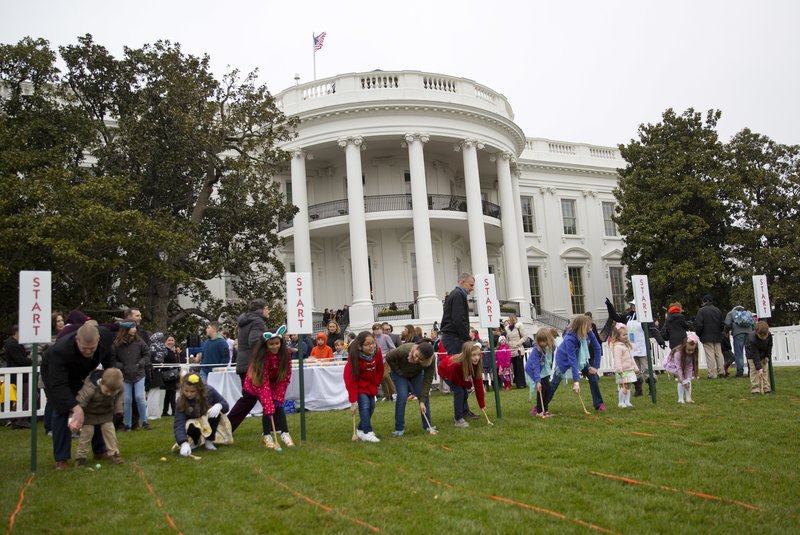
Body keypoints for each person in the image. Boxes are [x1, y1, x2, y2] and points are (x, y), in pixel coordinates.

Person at [41, 321, 115, 469]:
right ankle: (61, 458)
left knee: (96, 403)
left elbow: (109, 356)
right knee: (60, 409)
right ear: (77, 340)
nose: (88, 352)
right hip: (56, 374)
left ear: (98, 341)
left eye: (92, 349)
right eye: (84, 349)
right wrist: (76, 408)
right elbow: (59, 385)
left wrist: (109, 378)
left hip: (82, 371)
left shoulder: (106, 337)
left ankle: (100, 450)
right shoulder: (60, 350)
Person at [544, 315, 606, 412]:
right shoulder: (569, 339)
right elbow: (572, 361)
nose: (590, 329)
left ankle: (599, 404)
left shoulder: (588, 331)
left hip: (580, 358)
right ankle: (540, 407)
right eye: (588, 327)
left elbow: (597, 347)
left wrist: (595, 367)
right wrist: (576, 382)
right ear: (582, 327)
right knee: (554, 383)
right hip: (564, 359)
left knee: (593, 376)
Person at [385, 340, 437, 436]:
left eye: (421, 360)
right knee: (402, 396)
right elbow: (389, 357)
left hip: (416, 375)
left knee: (424, 397)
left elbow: (428, 379)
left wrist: (422, 400)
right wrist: (398, 371)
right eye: (416, 355)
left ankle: (427, 426)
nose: (417, 359)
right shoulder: (405, 349)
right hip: (400, 373)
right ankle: (399, 429)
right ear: (416, 348)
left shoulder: (431, 360)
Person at [74, 367, 124, 466]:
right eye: (106, 391)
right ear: (101, 382)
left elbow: (119, 397)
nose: (109, 394)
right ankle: (80, 458)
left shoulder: (118, 387)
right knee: (87, 433)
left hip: (105, 413)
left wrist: (119, 410)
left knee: (109, 431)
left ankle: (114, 453)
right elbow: (80, 402)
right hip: (89, 413)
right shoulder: (90, 389)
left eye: (112, 392)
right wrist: (75, 418)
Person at [173, 373, 232, 455]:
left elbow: (226, 405)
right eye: (186, 391)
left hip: (207, 419)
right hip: (192, 423)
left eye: (192, 391)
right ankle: (194, 441)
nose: (189, 394)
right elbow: (179, 423)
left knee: (215, 414)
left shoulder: (210, 391)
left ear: (199, 389)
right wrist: (183, 442)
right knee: (191, 425)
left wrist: (219, 406)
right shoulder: (181, 401)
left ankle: (209, 440)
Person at [344, 331, 384, 443]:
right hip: (360, 385)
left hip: (371, 384)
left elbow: (380, 368)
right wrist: (353, 400)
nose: (372, 346)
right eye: (368, 344)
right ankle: (368, 432)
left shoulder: (377, 352)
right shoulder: (354, 357)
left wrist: (376, 382)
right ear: (360, 346)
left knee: (372, 406)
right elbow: (350, 379)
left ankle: (361, 429)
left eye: (373, 343)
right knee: (365, 406)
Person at [113, 321, 151, 431]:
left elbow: (147, 354)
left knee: (139, 397)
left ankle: (144, 421)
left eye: (135, 327)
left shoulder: (139, 341)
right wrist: (122, 366)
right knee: (127, 399)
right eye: (132, 327)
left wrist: (140, 364)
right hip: (125, 375)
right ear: (126, 329)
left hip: (139, 373)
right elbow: (113, 359)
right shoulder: (117, 343)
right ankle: (128, 424)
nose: (134, 329)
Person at [438, 341, 486, 428]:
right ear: (467, 355)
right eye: (474, 355)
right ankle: (458, 419)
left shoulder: (476, 364)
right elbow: (456, 380)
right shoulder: (456, 365)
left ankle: (464, 413)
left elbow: (478, 385)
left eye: (478, 355)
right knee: (459, 392)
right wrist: (467, 384)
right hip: (445, 370)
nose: (477, 358)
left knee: (464, 394)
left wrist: (482, 405)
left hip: (458, 376)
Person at [3, 325, 33, 428]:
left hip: (21, 375)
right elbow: (21, 360)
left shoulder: (16, 344)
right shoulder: (12, 344)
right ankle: (20, 418)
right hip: (19, 375)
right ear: (17, 331)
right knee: (32, 395)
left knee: (23, 397)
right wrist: (30, 360)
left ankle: (15, 418)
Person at [439, 273, 475, 356]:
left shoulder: (455, 294)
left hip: (452, 336)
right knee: (456, 364)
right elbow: (458, 319)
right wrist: (467, 338)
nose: (472, 288)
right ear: (462, 282)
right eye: (471, 285)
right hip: (454, 337)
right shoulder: (458, 295)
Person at [236, 298, 269, 385]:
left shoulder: (246, 321)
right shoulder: (258, 322)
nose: (268, 311)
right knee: (254, 396)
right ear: (262, 310)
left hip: (243, 364)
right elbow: (255, 342)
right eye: (267, 308)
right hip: (253, 365)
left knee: (249, 396)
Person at [695, 294, 726, 379]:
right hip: (717, 335)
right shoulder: (718, 310)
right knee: (719, 354)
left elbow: (699, 325)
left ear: (704, 301)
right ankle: (721, 372)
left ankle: (712, 374)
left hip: (706, 335)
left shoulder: (701, 311)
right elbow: (722, 324)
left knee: (710, 355)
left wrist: (699, 334)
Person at [525, 328, 554, 417]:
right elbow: (536, 366)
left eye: (544, 341)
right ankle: (539, 411)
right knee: (542, 389)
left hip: (543, 370)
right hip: (533, 370)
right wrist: (538, 381)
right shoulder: (536, 351)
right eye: (540, 341)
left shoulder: (549, 347)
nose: (542, 343)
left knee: (548, 389)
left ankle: (545, 410)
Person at [663, 334, 699, 403]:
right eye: (689, 350)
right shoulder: (678, 353)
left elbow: (689, 367)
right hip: (674, 365)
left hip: (684, 365)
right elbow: (679, 367)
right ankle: (680, 399)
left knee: (688, 380)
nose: (691, 352)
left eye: (692, 350)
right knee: (681, 379)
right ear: (684, 346)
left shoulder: (692, 355)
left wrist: (688, 378)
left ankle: (688, 398)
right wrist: (683, 380)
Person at [611, 324, 639, 409]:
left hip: (629, 369)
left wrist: (635, 367)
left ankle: (627, 401)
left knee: (628, 385)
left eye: (626, 334)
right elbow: (617, 359)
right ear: (617, 336)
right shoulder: (618, 347)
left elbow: (631, 358)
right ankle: (621, 402)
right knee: (623, 386)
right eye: (623, 335)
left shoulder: (626, 346)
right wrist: (619, 369)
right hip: (622, 370)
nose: (626, 336)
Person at [724, 305, 755, 377]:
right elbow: (753, 323)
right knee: (750, 353)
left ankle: (740, 371)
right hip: (749, 333)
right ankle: (751, 371)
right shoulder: (749, 313)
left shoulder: (731, 313)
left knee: (739, 353)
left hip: (738, 334)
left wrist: (727, 332)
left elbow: (727, 324)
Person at [745, 321, 773, 395]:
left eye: (765, 336)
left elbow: (769, 346)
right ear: (757, 333)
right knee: (754, 370)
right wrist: (759, 368)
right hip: (751, 355)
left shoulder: (769, 335)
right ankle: (755, 389)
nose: (764, 338)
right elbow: (755, 354)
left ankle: (766, 388)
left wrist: (767, 356)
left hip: (763, 354)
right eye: (761, 336)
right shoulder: (752, 339)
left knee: (765, 370)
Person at [505, 315, 530, 389]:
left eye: (509, 319)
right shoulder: (507, 329)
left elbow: (525, 336)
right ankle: (517, 383)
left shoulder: (519, 326)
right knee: (515, 367)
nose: (508, 321)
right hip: (511, 350)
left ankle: (522, 383)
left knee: (520, 367)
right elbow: (507, 338)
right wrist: (508, 344)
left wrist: (518, 343)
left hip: (519, 349)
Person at [160, 334, 181, 416]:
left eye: (172, 340)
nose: (171, 342)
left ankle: (165, 411)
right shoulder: (165, 350)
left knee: (169, 393)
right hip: (168, 374)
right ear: (166, 341)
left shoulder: (174, 351)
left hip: (174, 374)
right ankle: (174, 411)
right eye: (169, 340)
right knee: (172, 393)